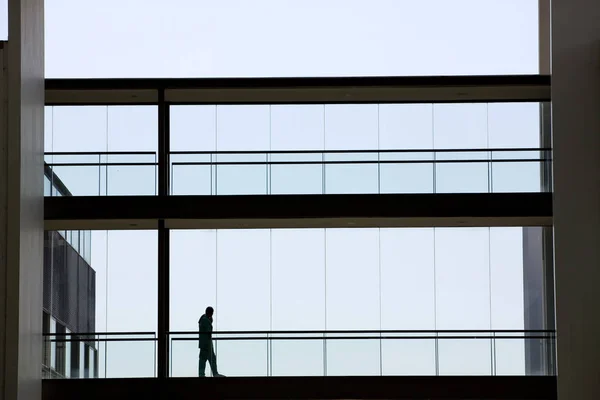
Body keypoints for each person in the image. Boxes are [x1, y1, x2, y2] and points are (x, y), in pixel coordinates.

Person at [198, 306, 224, 377]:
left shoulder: (203, 319)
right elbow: (209, 330)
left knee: (210, 358)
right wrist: (210, 321)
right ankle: (202, 374)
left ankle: (212, 373)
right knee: (204, 358)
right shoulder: (205, 320)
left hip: (206, 342)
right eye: (212, 313)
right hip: (206, 343)